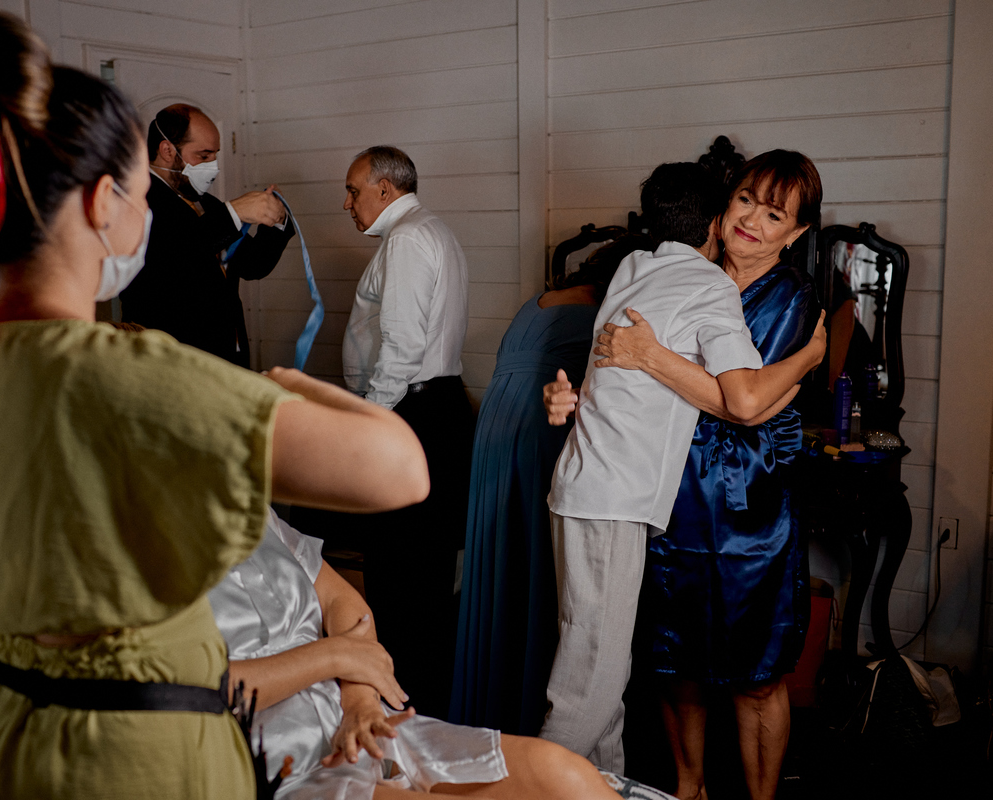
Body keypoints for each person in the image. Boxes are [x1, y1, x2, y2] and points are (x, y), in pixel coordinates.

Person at [0, 13, 428, 799]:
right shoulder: (127, 376)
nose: (148, 212)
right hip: (140, 755)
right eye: (137, 191)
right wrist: (287, 386)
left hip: (16, 732)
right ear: (100, 202)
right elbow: (399, 470)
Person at [539, 162, 826, 775]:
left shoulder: (791, 295)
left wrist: (652, 357)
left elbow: (747, 405)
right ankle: (683, 787)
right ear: (720, 212)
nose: (752, 220)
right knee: (668, 664)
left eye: (774, 214)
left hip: (744, 503)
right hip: (664, 496)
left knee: (754, 672)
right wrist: (574, 398)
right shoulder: (667, 272)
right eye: (746, 200)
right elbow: (619, 375)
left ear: (795, 232)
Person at [208, 509, 678, 800]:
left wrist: (359, 701)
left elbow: (343, 603)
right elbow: (195, 685)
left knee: (561, 772)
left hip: (358, 724)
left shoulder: (248, 510)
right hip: (273, 765)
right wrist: (334, 657)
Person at [450, 233, 653, 736]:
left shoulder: (539, 301)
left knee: (502, 559)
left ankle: (488, 702)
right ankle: (535, 713)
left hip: (496, 428)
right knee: (545, 567)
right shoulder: (605, 315)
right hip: (542, 427)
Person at [296, 145, 473, 720]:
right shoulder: (431, 230)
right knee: (418, 579)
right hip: (429, 409)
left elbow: (401, 346)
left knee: (402, 581)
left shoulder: (408, 239)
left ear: (385, 189)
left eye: (353, 191)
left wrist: (366, 426)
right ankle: (418, 709)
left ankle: (404, 715)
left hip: (412, 412)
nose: (346, 204)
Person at [118, 103, 294, 368]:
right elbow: (175, 257)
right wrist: (233, 213)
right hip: (172, 360)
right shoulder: (135, 200)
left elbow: (252, 265)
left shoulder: (206, 204)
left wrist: (277, 220)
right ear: (167, 150)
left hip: (228, 355)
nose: (213, 166)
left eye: (215, 155)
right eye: (204, 156)